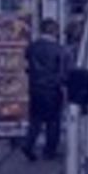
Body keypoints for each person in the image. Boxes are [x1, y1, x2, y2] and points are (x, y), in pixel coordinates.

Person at [23, 19, 68, 161]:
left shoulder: (32, 47)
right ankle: (49, 151)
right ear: (54, 31)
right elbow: (63, 72)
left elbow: (27, 66)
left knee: (35, 120)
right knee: (53, 122)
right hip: (52, 89)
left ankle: (28, 144)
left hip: (35, 88)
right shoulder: (59, 49)